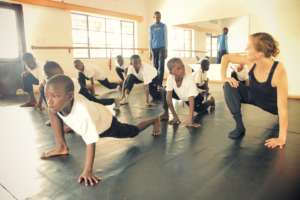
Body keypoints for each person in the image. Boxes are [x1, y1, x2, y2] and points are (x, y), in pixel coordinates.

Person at [41, 75, 161, 186]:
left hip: (106, 124)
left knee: (132, 132)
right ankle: (61, 147)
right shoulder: (58, 102)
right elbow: (55, 107)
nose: (49, 101)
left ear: (70, 96)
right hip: (93, 113)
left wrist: (87, 171)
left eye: (55, 96)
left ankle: (154, 120)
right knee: (52, 110)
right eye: (47, 96)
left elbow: (90, 143)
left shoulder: (82, 113)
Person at [221, 32, 288, 149]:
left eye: (249, 47)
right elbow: (225, 58)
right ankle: (239, 127)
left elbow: (282, 108)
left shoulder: (278, 70)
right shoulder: (250, 61)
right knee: (228, 85)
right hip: (253, 96)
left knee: (279, 110)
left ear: (260, 54)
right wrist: (224, 78)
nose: (246, 49)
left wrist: (281, 138)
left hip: (271, 105)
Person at [162, 58, 215, 127]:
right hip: (181, 94)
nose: (182, 70)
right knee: (164, 91)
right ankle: (165, 114)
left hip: (195, 98)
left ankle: (210, 101)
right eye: (178, 68)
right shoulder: (170, 78)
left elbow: (191, 100)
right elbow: (168, 99)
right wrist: (175, 117)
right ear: (171, 72)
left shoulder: (189, 79)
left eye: (183, 66)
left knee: (199, 110)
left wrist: (190, 121)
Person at [149, 11, 168, 87]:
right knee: (155, 66)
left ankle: (160, 83)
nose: (158, 18)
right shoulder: (151, 27)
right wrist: (150, 51)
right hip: (154, 49)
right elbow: (150, 39)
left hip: (162, 48)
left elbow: (165, 38)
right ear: (154, 17)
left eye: (159, 17)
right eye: (156, 17)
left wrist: (166, 50)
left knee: (161, 66)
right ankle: (155, 82)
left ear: (160, 17)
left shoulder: (163, 26)